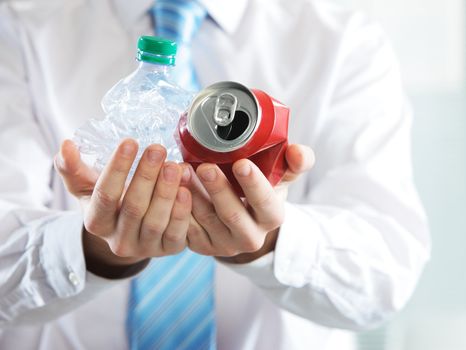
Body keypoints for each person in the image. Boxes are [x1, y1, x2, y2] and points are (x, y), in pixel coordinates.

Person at [0, 0, 430, 349]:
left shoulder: (344, 43)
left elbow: (384, 274)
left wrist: (269, 243)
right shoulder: (18, 32)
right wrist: (93, 250)